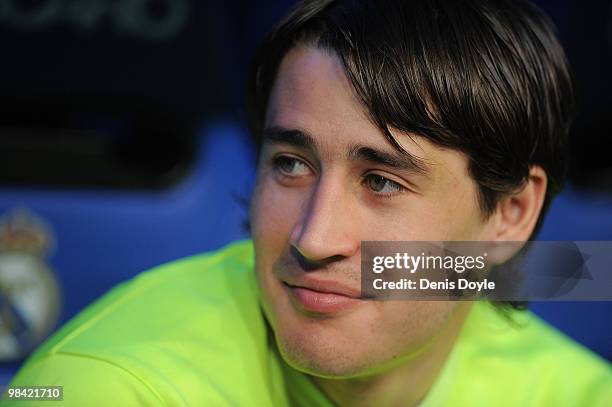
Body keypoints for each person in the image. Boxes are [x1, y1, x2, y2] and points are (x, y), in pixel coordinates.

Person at [5, 0, 611, 406]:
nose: (312, 239)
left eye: (381, 182)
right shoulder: (104, 387)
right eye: (291, 165)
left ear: (510, 214)